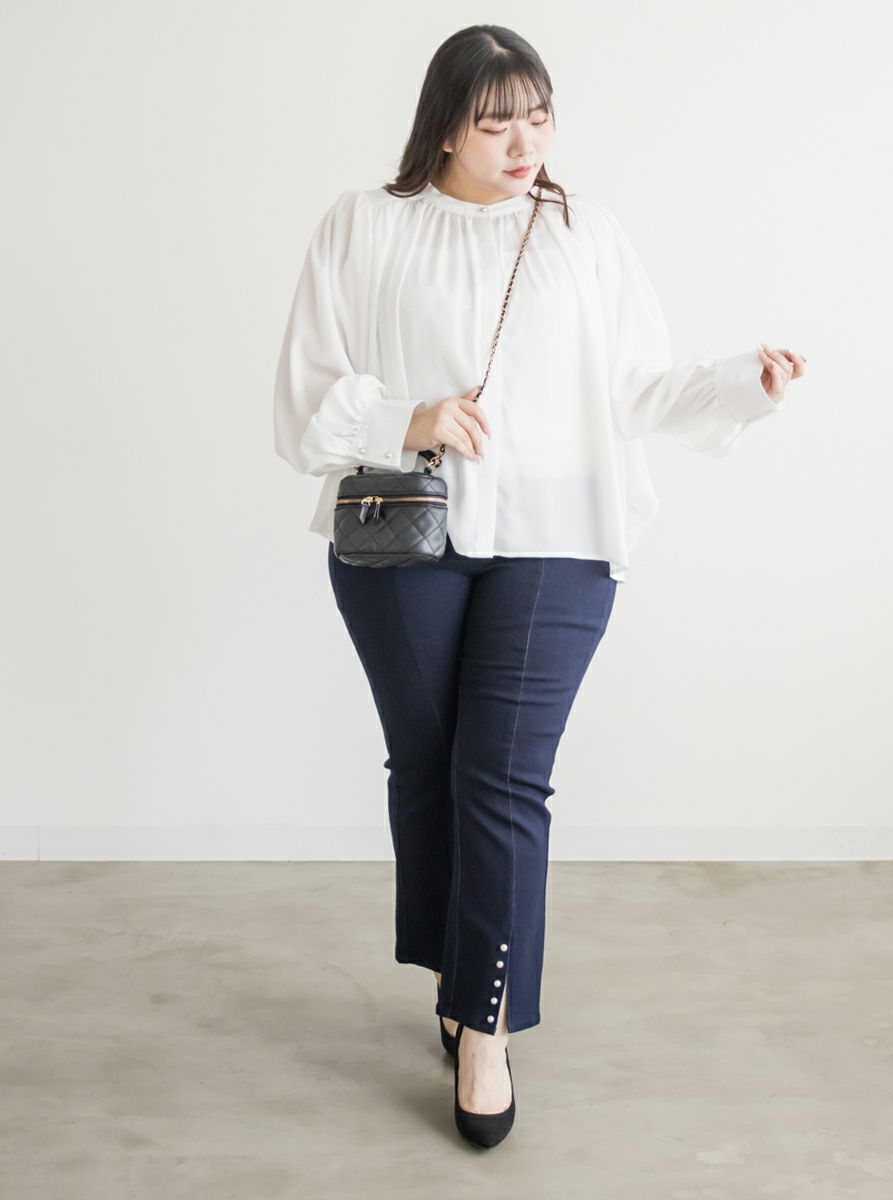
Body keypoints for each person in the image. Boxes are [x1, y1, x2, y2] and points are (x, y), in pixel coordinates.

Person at [273, 24, 806, 1148]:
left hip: (558, 535)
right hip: (405, 536)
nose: (525, 143)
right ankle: (454, 969)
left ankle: (487, 1027)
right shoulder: (366, 226)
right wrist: (408, 416)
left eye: (540, 116)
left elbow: (643, 388)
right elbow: (304, 397)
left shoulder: (582, 235)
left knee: (503, 778)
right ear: (444, 128)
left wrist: (742, 387)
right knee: (429, 768)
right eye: (495, 122)